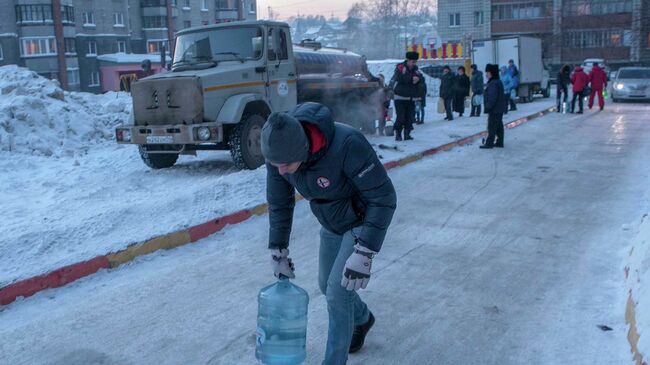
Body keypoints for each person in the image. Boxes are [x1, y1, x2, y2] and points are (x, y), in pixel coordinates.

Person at [262, 102, 397, 365]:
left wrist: (365, 251)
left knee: (337, 291)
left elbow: (384, 198)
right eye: (273, 164)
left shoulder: (347, 145)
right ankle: (362, 318)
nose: (280, 171)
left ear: (302, 149)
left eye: (286, 165)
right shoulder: (279, 153)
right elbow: (279, 202)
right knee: (326, 285)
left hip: (362, 218)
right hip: (332, 221)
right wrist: (278, 248)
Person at [392, 51, 424, 140]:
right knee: (400, 117)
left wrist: (418, 79)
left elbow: (421, 78)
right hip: (400, 97)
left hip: (411, 98)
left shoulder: (416, 69)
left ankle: (407, 134)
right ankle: (398, 134)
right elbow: (399, 77)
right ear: (408, 60)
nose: (414, 64)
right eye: (413, 62)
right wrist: (411, 79)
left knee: (409, 117)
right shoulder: (400, 67)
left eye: (415, 62)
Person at [481, 64, 507, 149]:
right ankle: (499, 142)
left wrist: (488, 106)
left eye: (488, 72)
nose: (486, 74)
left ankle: (489, 143)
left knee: (491, 126)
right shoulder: (497, 82)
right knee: (498, 126)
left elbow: (492, 97)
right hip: (499, 108)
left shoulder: (493, 83)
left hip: (495, 109)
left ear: (492, 73)